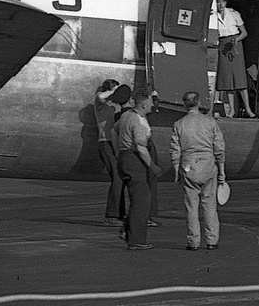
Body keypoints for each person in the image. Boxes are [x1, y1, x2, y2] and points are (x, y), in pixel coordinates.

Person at [171, 90, 226, 250]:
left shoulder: (179, 124)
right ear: (199, 102)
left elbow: (175, 150)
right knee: (209, 205)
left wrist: (176, 172)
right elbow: (219, 148)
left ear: (184, 104)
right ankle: (212, 241)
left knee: (191, 206)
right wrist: (221, 171)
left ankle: (193, 242)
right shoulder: (210, 122)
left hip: (189, 166)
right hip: (208, 164)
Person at [112, 87, 160, 250]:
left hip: (125, 158)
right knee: (142, 201)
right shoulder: (138, 121)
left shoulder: (126, 116)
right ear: (145, 103)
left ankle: (127, 230)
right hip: (134, 160)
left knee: (137, 199)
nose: (153, 104)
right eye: (151, 101)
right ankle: (137, 240)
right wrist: (152, 166)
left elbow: (114, 130)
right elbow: (140, 146)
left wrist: (119, 151)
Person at [93, 79, 127, 225]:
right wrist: (114, 92)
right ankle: (111, 215)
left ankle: (119, 213)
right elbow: (100, 97)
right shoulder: (101, 102)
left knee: (120, 178)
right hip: (105, 142)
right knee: (117, 177)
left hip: (115, 142)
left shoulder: (115, 105)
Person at [213, 0, 252, 118]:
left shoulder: (234, 14)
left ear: (226, 3)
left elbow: (244, 33)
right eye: (218, 2)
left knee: (240, 78)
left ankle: (248, 109)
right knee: (228, 80)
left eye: (222, 2)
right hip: (223, 46)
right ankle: (231, 110)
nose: (220, 4)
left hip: (235, 45)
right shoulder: (214, 15)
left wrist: (237, 39)